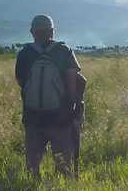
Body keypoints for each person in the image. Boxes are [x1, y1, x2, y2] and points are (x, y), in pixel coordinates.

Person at [15, 14, 82, 179]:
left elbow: (20, 81)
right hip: (60, 117)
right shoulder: (64, 51)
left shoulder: (25, 53)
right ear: (52, 31)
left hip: (32, 116)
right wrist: (74, 108)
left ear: (32, 32)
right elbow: (72, 80)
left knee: (32, 163)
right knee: (63, 164)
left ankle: (32, 185)